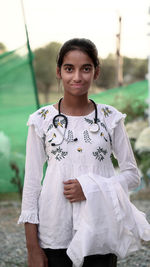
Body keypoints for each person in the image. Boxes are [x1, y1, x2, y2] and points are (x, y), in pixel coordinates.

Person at [18, 38, 150, 267]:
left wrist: (90, 188)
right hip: (54, 232)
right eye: (69, 68)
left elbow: (132, 175)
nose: (77, 77)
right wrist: (32, 247)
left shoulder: (111, 118)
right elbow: (31, 184)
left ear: (96, 72)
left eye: (85, 68)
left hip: (100, 229)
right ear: (59, 71)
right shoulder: (41, 120)